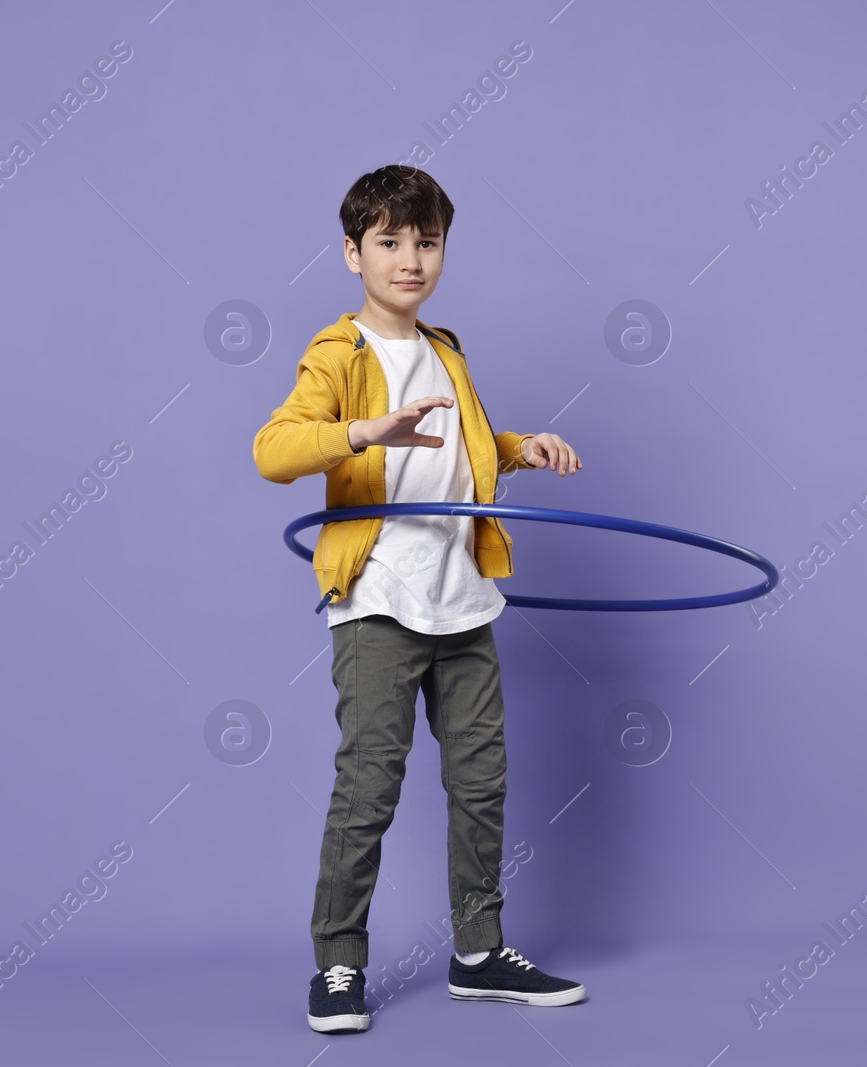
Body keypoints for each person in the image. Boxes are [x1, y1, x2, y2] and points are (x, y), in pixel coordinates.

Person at [253, 165, 588, 1034]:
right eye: (390, 242)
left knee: (482, 782)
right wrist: (364, 431)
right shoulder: (339, 354)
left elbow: (459, 449)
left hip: (462, 599)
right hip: (379, 600)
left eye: (426, 242)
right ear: (353, 252)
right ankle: (338, 960)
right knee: (369, 785)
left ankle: (478, 952)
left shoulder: (445, 348)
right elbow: (274, 449)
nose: (410, 260)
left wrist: (521, 447)